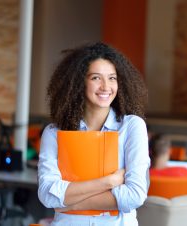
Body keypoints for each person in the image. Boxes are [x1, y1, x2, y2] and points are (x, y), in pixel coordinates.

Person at [37, 42, 150, 225]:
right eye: (96, 78)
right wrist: (109, 182)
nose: (106, 86)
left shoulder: (131, 127)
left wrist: (70, 203)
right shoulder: (54, 133)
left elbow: (134, 195)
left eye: (112, 78)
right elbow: (47, 195)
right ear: (79, 82)